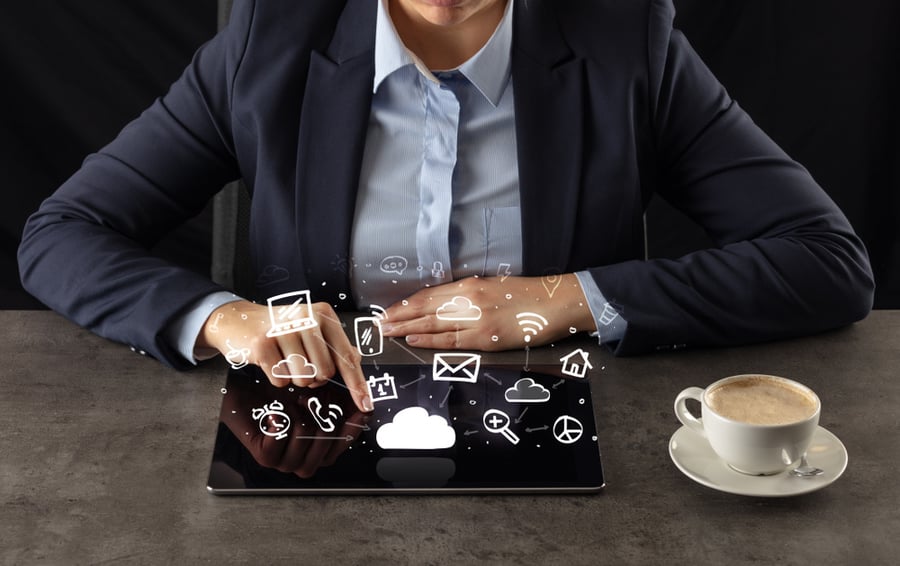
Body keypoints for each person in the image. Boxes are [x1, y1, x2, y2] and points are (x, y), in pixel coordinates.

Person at [18, 0, 874, 415]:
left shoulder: (627, 43)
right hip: (314, 431)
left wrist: (562, 299)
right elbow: (63, 233)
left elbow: (826, 261)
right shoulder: (265, 41)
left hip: (562, 421)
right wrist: (227, 321)